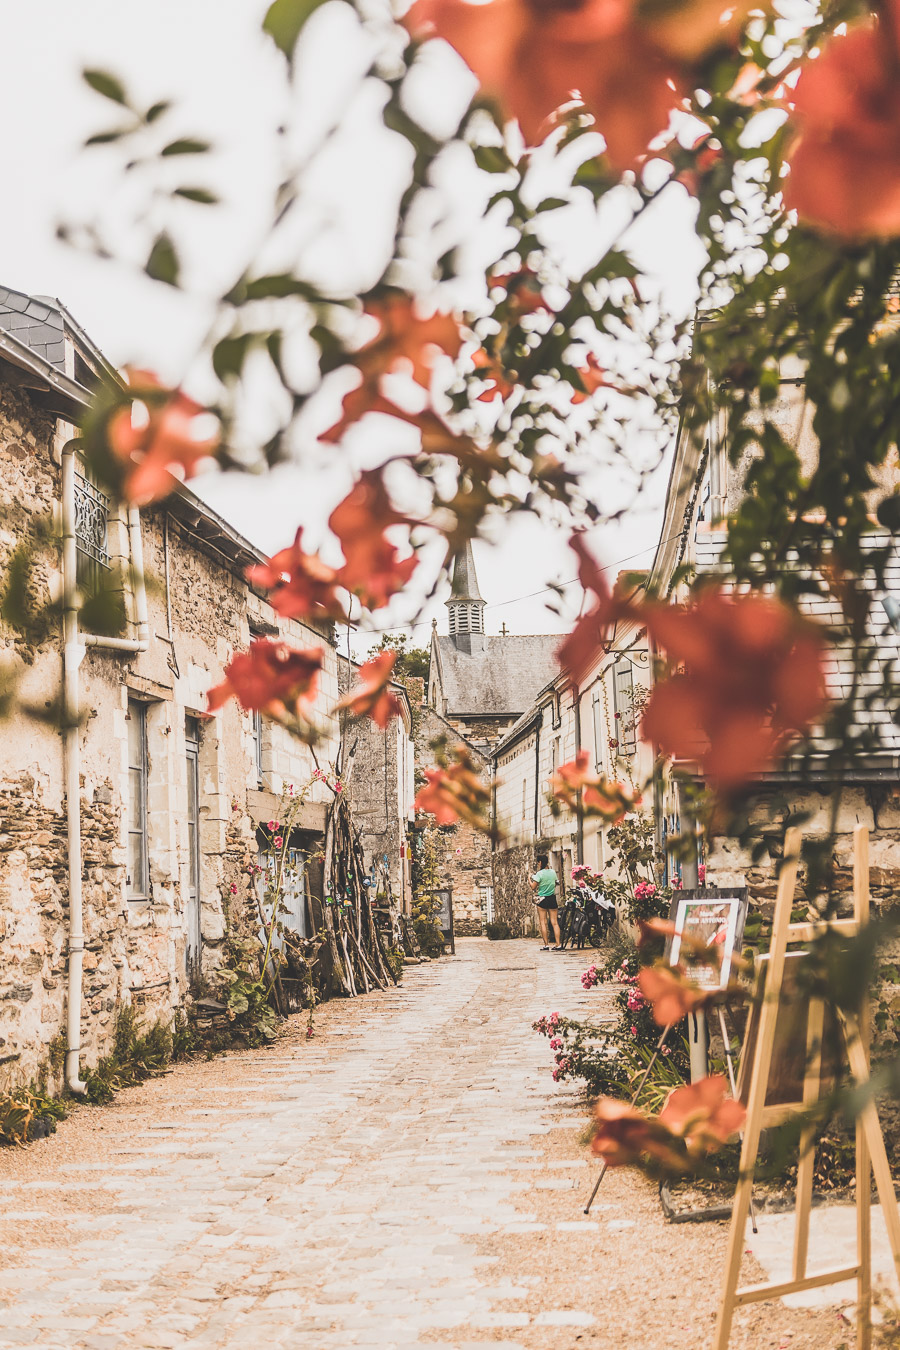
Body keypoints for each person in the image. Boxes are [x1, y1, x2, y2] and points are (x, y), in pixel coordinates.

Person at [530, 853, 561, 950]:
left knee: (543, 922)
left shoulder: (539, 874)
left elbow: (533, 887)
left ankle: (546, 945)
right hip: (552, 898)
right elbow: (556, 883)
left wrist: (529, 879)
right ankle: (558, 944)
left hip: (542, 899)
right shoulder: (552, 872)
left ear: (540, 862)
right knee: (555, 922)